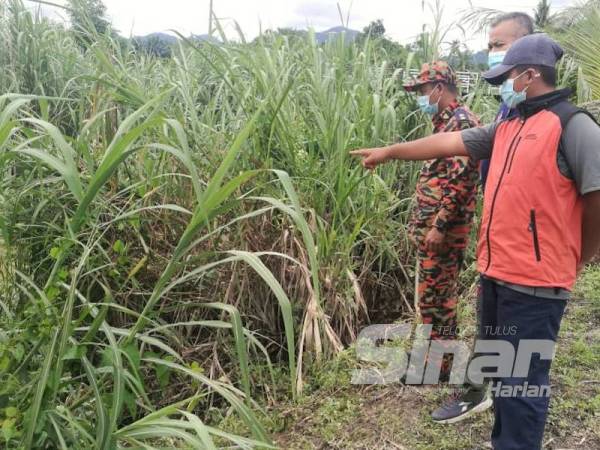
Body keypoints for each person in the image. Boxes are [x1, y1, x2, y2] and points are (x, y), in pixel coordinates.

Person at [351, 34, 600, 450]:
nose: (500, 84)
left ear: (530, 75)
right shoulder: (508, 126)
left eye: (505, 77)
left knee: (522, 382)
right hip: (496, 275)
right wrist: (391, 151)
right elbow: (449, 143)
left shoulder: (574, 128)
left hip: (537, 284)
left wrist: (579, 257)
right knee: (502, 369)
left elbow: (597, 202)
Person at [401, 61, 480, 380]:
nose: (420, 97)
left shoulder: (461, 122)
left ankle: (439, 366)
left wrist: (438, 226)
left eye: (421, 90)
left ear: (438, 88)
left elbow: (462, 180)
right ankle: (434, 358)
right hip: (435, 229)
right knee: (433, 296)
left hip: (444, 232)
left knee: (438, 298)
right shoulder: (445, 123)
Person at [482, 12, 534, 189]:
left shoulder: (549, 114)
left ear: (526, 44)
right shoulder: (508, 103)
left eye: (498, 45)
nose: (492, 53)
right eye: (490, 47)